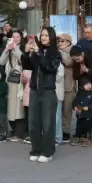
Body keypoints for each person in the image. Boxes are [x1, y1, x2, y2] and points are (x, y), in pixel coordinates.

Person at [23, 27, 61, 163]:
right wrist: (26, 52)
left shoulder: (55, 53)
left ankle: (47, 152)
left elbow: (50, 67)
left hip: (48, 91)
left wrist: (39, 54)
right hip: (34, 90)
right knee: (33, 122)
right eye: (42, 35)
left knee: (47, 123)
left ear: (51, 37)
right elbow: (27, 66)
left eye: (46, 35)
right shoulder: (37, 50)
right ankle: (36, 150)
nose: (43, 37)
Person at [69, 45, 92, 143]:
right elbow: (75, 76)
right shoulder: (76, 61)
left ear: (82, 54)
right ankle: (81, 133)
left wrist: (87, 70)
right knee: (82, 110)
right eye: (75, 60)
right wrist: (80, 73)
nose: (77, 61)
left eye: (78, 59)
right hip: (84, 88)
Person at [0, 30, 28, 141]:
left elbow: (23, 60)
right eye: (13, 37)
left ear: (21, 38)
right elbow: (1, 62)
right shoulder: (9, 49)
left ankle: (20, 133)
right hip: (11, 81)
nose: (15, 39)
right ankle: (14, 130)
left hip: (21, 82)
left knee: (19, 109)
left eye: (17, 37)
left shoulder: (24, 48)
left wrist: (15, 48)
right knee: (11, 108)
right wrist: (7, 49)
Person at [57, 33, 76, 143]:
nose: (60, 43)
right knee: (57, 110)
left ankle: (66, 132)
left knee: (66, 110)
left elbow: (69, 62)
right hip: (57, 84)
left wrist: (60, 53)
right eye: (59, 41)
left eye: (62, 41)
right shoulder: (57, 50)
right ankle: (57, 131)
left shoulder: (72, 50)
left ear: (68, 42)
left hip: (68, 85)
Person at [73, 77, 92, 145]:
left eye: (89, 84)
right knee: (79, 126)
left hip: (88, 113)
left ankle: (87, 139)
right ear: (82, 86)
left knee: (87, 126)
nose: (88, 86)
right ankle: (78, 137)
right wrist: (75, 106)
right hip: (80, 113)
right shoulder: (80, 92)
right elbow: (75, 100)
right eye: (86, 85)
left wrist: (89, 107)